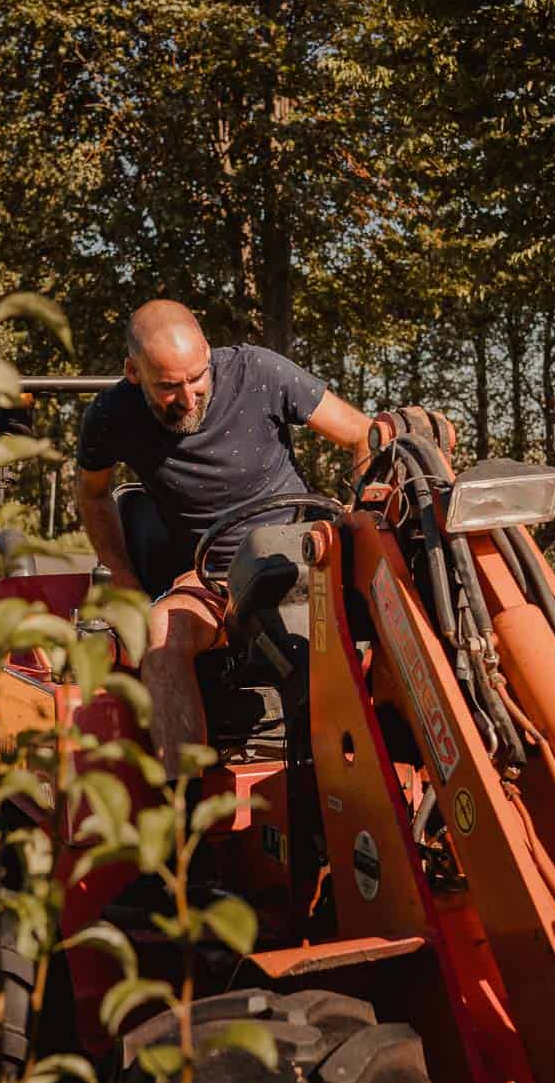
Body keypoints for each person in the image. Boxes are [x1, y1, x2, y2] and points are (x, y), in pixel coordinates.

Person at [77, 300, 372, 775]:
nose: (190, 399)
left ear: (209, 353)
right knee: (160, 635)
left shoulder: (258, 371)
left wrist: (359, 528)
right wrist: (123, 577)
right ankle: (185, 806)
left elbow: (365, 435)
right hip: (214, 580)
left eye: (198, 377)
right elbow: (93, 496)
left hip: (301, 561)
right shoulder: (112, 415)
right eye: (170, 386)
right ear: (133, 371)